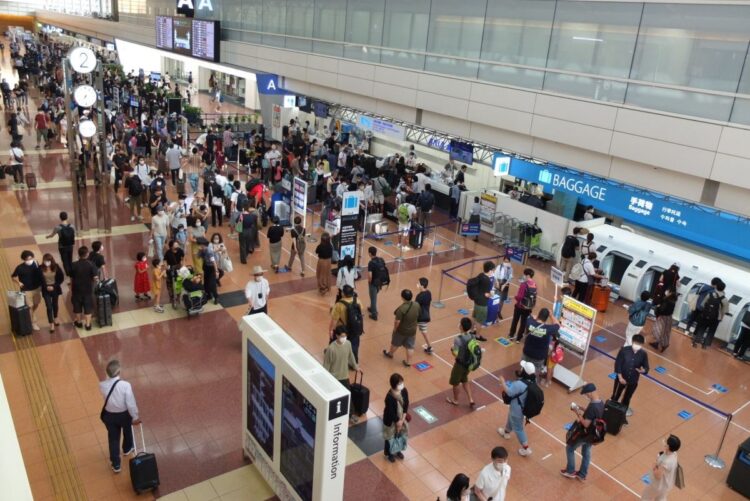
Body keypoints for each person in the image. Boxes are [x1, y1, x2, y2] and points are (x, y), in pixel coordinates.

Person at [99, 360, 141, 474]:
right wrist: (135, 416)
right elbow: (130, 403)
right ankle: (127, 449)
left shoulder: (102, 385)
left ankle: (116, 464)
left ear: (107, 373)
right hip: (124, 415)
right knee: (127, 432)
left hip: (110, 416)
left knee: (113, 439)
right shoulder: (125, 385)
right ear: (119, 372)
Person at [561, 383, 604, 481]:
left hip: (585, 433)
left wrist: (577, 412)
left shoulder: (593, 406)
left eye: (586, 394)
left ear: (591, 392)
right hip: (593, 435)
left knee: (570, 448)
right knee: (586, 452)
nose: (586, 396)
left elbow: (585, 424)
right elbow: (591, 413)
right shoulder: (600, 402)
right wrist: (580, 407)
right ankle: (582, 474)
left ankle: (570, 471)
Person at [498, 361, 535, 457]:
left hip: (517, 409)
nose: (521, 369)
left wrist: (502, 382)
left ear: (525, 371)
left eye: (522, 368)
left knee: (518, 428)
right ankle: (506, 432)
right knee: (510, 417)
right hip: (522, 408)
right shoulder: (532, 381)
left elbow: (509, 392)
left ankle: (526, 448)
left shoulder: (520, 384)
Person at [323, 326, 360, 423]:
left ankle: (351, 415)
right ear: (337, 336)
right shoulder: (331, 349)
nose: (344, 338)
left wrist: (355, 366)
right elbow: (326, 365)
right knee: (334, 398)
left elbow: (351, 355)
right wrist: (325, 380)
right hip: (333, 378)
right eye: (342, 336)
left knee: (348, 396)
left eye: (345, 336)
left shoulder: (348, 344)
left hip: (344, 376)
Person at [612, 334, 649, 420]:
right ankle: (610, 412)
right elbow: (618, 364)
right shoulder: (624, 351)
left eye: (639, 345)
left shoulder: (643, 354)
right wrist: (620, 377)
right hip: (621, 379)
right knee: (615, 396)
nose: (637, 346)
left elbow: (646, 367)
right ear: (632, 342)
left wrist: (643, 370)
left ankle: (621, 417)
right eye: (636, 343)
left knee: (627, 398)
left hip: (633, 381)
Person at [382, 289, 420, 367]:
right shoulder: (416, 304)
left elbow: (397, 322)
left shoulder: (401, 309)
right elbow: (418, 314)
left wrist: (395, 329)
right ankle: (408, 362)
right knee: (410, 346)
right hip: (412, 330)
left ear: (402, 297)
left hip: (401, 331)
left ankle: (390, 354)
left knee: (395, 343)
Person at [446, 317, 477, 408]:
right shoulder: (473, 336)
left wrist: (452, 349)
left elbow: (455, 354)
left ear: (461, 327)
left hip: (460, 364)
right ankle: (471, 399)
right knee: (464, 379)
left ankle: (455, 400)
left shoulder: (458, 339)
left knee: (455, 383)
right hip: (469, 364)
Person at [11, 250, 43, 331]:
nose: (29, 260)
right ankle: (33, 322)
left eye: (31, 258)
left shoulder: (36, 263)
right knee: (29, 306)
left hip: (36, 288)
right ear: (24, 259)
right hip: (26, 290)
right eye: (27, 259)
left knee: (36, 303)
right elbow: (13, 276)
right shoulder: (20, 268)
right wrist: (19, 282)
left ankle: (33, 314)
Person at [642, 435, 682, 501]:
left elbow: (658, 475)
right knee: (661, 499)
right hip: (666, 486)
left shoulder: (666, 462)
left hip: (657, 486)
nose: (665, 442)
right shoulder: (674, 454)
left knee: (646, 497)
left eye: (666, 442)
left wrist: (655, 464)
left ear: (668, 446)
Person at [692, 280, 728, 350]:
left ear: (716, 287)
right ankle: (705, 345)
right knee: (711, 332)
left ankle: (696, 342)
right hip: (716, 318)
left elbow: (703, 304)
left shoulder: (710, 294)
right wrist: (721, 318)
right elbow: (724, 311)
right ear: (723, 289)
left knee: (702, 328)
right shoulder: (724, 299)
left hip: (706, 315)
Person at [523, 308, 560, 376]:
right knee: (535, 373)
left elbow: (531, 317)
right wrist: (551, 315)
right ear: (546, 318)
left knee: (524, 368)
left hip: (527, 352)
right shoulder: (547, 329)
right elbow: (557, 325)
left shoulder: (530, 322)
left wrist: (535, 317)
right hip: (539, 356)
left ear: (539, 315)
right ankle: (532, 383)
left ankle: (522, 378)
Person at [382, 373, 409, 463]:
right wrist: (398, 421)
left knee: (399, 435)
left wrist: (403, 418)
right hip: (391, 421)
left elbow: (406, 404)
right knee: (390, 436)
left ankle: (398, 450)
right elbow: (390, 412)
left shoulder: (404, 391)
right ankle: (389, 453)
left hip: (402, 418)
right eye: (399, 383)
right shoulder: (389, 397)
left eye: (402, 382)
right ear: (394, 384)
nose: (402, 384)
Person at [71, 246, 97, 330]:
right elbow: (95, 278)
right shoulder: (91, 264)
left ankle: (78, 322)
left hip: (76, 289)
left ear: (79, 254)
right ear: (87, 254)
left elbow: (71, 277)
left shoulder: (74, 264)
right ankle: (88, 325)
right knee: (87, 307)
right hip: (88, 290)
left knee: (77, 307)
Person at [508, 268, 537, 343]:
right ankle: (518, 338)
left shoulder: (524, 284)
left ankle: (511, 335)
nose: (523, 276)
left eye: (524, 274)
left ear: (527, 275)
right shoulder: (534, 284)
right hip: (528, 307)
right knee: (523, 323)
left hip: (520, 306)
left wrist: (513, 297)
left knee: (515, 321)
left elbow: (520, 297)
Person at [470, 261, 495, 341]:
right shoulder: (488, 281)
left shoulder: (481, 275)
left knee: (474, 316)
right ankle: (477, 335)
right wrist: (491, 294)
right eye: (493, 270)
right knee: (479, 320)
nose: (493, 272)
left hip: (476, 300)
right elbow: (486, 294)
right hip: (482, 303)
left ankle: (471, 331)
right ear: (490, 270)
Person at [46, 211, 75, 278]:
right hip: (70, 245)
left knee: (64, 260)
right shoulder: (72, 226)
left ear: (60, 218)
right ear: (67, 217)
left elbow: (52, 235)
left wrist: (48, 237)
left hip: (62, 246)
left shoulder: (58, 227)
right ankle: (71, 271)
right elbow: (74, 234)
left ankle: (68, 273)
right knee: (70, 258)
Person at [40, 254, 64, 333]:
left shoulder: (56, 266)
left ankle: (56, 318)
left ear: (51, 260)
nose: (47, 262)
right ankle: (51, 324)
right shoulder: (40, 268)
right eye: (45, 261)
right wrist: (45, 286)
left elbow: (61, 278)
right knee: (49, 307)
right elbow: (38, 279)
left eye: (48, 261)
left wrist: (54, 286)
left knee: (55, 304)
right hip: (45, 289)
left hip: (55, 288)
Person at [366, 246, 387, 321]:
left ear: (370, 253)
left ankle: (374, 314)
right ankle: (372, 307)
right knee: (374, 296)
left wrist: (369, 281)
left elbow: (370, 275)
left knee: (373, 298)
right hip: (380, 282)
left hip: (373, 283)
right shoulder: (380, 260)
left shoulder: (371, 263)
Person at [415, 277, 433, 353]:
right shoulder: (429, 293)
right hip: (426, 315)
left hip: (419, 317)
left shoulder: (419, 296)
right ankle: (429, 347)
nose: (417, 284)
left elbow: (415, 306)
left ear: (422, 286)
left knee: (412, 329)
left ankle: (409, 344)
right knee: (424, 332)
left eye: (418, 283)